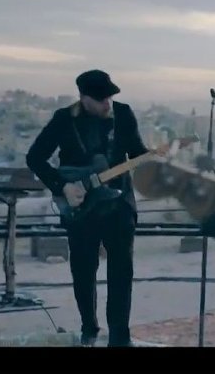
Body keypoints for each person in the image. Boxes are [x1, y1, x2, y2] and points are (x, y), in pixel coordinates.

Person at [26, 69, 157, 347]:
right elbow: (35, 157)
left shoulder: (123, 114)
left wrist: (153, 157)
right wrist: (62, 186)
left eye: (109, 97)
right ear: (84, 98)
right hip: (82, 210)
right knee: (83, 272)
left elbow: (135, 151)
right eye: (100, 99)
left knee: (121, 273)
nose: (107, 103)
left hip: (119, 206)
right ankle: (89, 326)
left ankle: (120, 337)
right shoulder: (64, 119)